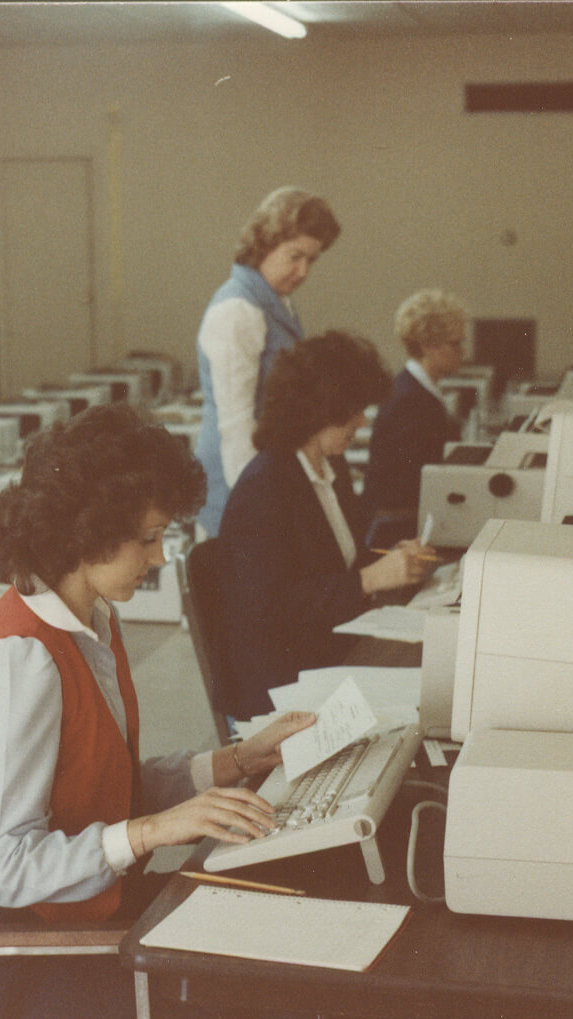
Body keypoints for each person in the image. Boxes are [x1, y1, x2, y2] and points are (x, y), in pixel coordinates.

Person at [0, 403, 323, 1019]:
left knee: (288, 951)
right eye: (147, 538)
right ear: (86, 534)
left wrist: (236, 761)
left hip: (81, 917)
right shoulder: (24, 663)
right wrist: (151, 832)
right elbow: (5, 867)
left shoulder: (89, 619)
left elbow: (97, 782)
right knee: (279, 996)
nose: (157, 557)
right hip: (20, 955)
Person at [217, 331, 436, 721]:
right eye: (355, 409)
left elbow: (336, 562)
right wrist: (370, 579)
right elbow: (271, 606)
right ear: (320, 408)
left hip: (328, 646)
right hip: (284, 679)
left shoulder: (330, 465)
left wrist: (392, 561)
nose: (363, 420)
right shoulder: (264, 488)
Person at [194, 186, 341, 536]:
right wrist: (260, 508)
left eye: (312, 260)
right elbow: (237, 426)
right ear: (264, 244)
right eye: (295, 256)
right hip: (235, 489)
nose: (303, 271)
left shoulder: (276, 300)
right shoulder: (237, 310)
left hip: (264, 477)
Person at [361, 288, 468, 546]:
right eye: (456, 343)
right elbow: (401, 487)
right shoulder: (408, 399)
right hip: (397, 533)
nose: (463, 351)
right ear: (427, 346)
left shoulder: (418, 391)